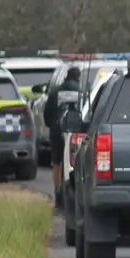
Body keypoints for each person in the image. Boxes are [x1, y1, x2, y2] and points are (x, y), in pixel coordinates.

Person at [45, 67, 81, 195]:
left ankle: (57, 189)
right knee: (72, 159)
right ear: (78, 77)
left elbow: (47, 111)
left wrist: (50, 124)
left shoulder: (55, 91)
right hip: (73, 130)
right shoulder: (80, 91)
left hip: (56, 129)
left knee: (56, 160)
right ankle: (69, 187)